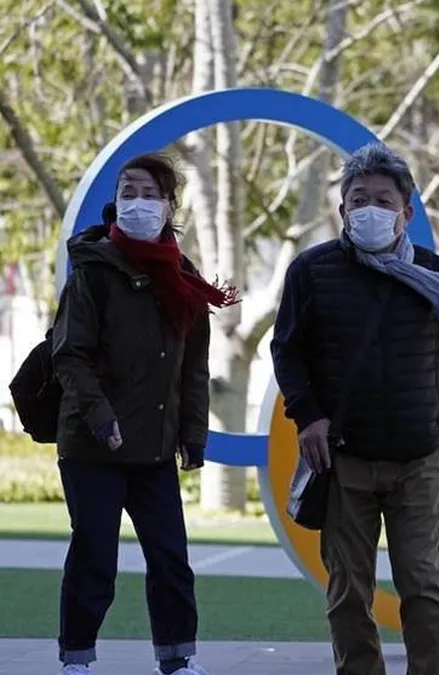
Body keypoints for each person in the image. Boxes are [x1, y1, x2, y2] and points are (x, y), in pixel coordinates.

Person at [270, 143, 439, 675]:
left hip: (419, 455)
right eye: (359, 199)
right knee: (349, 589)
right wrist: (308, 416)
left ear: (406, 212)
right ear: (342, 209)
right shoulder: (311, 271)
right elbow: (288, 351)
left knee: (423, 581)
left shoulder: (436, 275)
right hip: (343, 457)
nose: (369, 209)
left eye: (383, 200)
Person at [52, 153, 239, 675]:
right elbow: (70, 355)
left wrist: (193, 435)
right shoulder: (92, 271)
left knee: (171, 558)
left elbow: (193, 367)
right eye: (127, 191)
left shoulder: (183, 277)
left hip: (154, 446)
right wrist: (100, 417)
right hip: (94, 445)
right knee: (95, 556)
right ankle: (77, 659)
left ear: (168, 206)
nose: (137, 202)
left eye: (149, 193)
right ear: (115, 202)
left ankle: (177, 659)